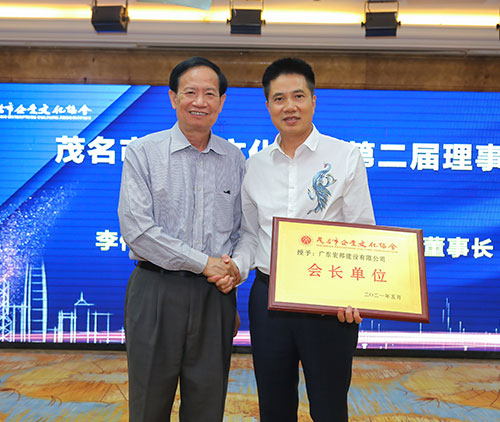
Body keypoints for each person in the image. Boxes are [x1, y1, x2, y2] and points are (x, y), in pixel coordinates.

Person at [232, 58, 375, 421]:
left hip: (330, 301)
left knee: (329, 407)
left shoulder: (345, 156)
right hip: (269, 299)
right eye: (279, 98)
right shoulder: (254, 165)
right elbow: (250, 233)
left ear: (313, 100)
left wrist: (355, 296)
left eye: (298, 96)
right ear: (268, 105)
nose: (289, 106)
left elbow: (362, 231)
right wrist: (233, 269)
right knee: (274, 406)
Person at [117, 56, 244, 422]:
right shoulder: (143, 152)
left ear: (221, 101)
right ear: (173, 97)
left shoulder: (234, 158)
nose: (199, 101)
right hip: (156, 289)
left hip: (214, 296)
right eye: (190, 92)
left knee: (207, 405)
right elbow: (138, 230)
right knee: (149, 404)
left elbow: (242, 230)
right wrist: (205, 263)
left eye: (210, 93)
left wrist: (235, 269)